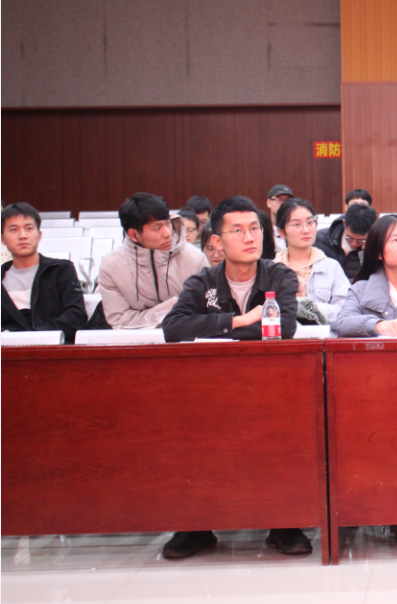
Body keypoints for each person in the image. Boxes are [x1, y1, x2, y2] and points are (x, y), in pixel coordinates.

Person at [160, 196, 309, 559]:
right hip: (212, 390)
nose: (249, 237)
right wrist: (238, 321)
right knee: (189, 432)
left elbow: (283, 327)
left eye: (255, 228)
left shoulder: (280, 276)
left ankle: (284, 523)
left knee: (287, 430)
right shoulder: (203, 282)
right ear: (217, 240)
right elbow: (174, 328)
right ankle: (196, 527)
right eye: (238, 230)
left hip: (272, 387)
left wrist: (213, 329)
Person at [98, 193, 209, 329]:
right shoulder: (111, 265)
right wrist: (171, 310)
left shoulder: (195, 258)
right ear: (134, 235)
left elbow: (208, 310)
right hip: (136, 340)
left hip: (187, 337)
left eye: (168, 223)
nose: (167, 233)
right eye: (157, 228)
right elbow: (120, 320)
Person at [1, 203, 88, 343]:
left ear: (39, 235)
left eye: (29, 228)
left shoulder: (60, 270)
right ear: (2, 238)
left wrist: (35, 337)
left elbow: (76, 316)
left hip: (54, 349)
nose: (22, 236)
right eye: (13, 230)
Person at [274, 198, 350, 325]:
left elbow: (347, 313)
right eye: (296, 224)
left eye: (310, 222)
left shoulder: (331, 267)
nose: (306, 230)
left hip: (324, 336)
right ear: (281, 232)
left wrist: (308, 307)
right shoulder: (272, 270)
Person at [315, 202, 377, 282]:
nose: (354, 243)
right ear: (344, 223)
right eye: (349, 238)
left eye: (361, 240)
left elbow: (372, 279)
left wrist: (365, 252)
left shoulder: (375, 246)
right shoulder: (319, 239)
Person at [266, 185, 294, 253]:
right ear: (268, 203)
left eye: (287, 200)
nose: (283, 204)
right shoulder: (264, 232)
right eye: (278, 199)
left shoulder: (297, 230)